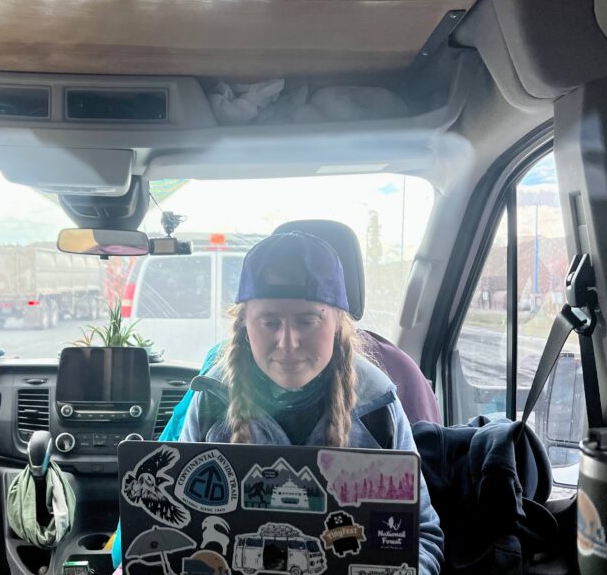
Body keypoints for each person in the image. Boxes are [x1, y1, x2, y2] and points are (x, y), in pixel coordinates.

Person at [180, 232, 445, 575]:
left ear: (337, 323)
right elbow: (183, 526)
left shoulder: (378, 406)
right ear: (244, 323)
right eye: (270, 321)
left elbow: (422, 536)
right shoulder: (211, 399)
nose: (288, 343)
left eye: (307, 321)